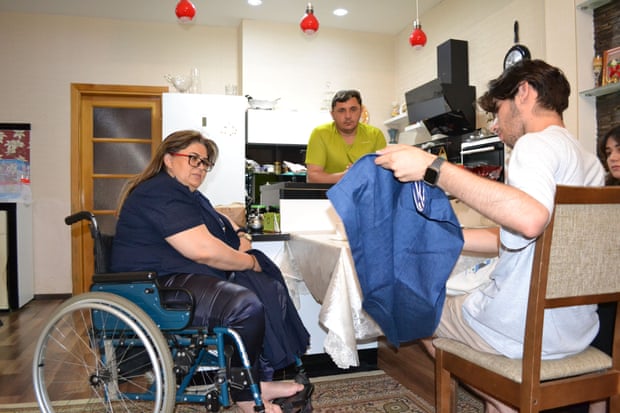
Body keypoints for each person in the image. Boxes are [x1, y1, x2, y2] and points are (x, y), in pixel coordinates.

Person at [375, 59, 605, 413]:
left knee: (410, 306)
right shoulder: (587, 160)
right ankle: (505, 400)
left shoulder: (534, 146)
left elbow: (529, 220)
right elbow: (525, 237)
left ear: (524, 92)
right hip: (575, 328)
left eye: (497, 112)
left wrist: (432, 167)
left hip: (519, 330)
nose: (496, 127)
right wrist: (447, 236)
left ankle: (505, 401)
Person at [110, 130, 311, 413]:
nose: (201, 168)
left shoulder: (189, 195)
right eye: (193, 159)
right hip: (153, 287)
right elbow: (203, 250)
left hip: (174, 279)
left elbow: (221, 220)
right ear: (169, 159)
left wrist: (240, 234)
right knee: (245, 305)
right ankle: (245, 394)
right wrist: (249, 261)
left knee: (264, 287)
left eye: (205, 163)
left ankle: (254, 382)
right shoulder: (159, 192)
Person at [305, 89, 387, 183]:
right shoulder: (320, 133)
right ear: (332, 114)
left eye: (353, 109)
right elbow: (313, 177)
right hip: (329, 195)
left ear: (361, 111)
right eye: (341, 110)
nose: (348, 116)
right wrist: (345, 177)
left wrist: (362, 174)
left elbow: (384, 176)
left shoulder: (375, 134)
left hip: (367, 195)